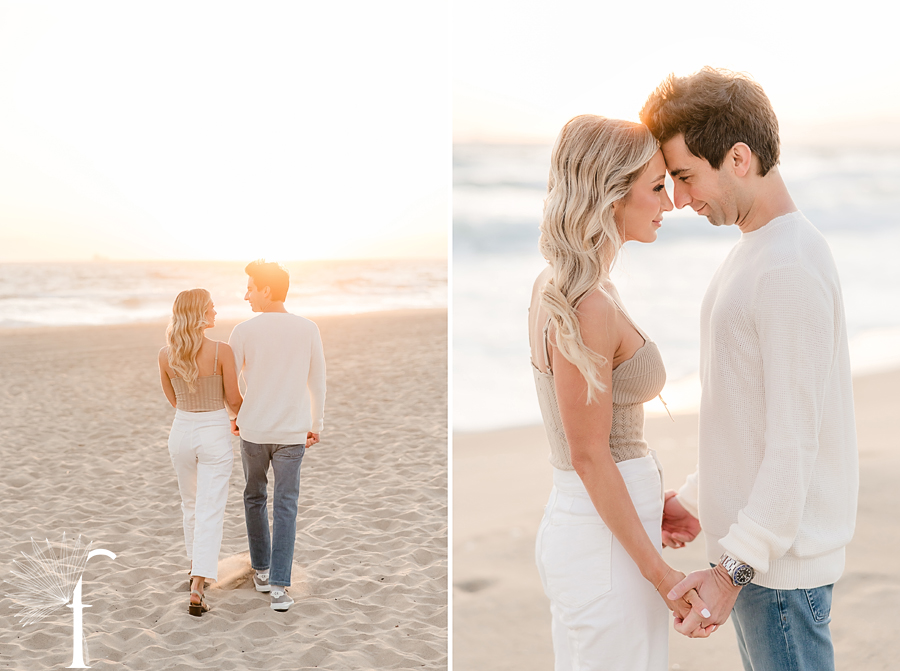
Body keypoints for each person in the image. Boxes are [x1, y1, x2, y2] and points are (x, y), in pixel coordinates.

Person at [640, 67, 858, 671]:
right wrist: (695, 496)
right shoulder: (760, 250)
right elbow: (750, 415)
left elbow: (795, 441)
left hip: (777, 572)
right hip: (764, 561)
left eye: (684, 176)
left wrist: (733, 570)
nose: (679, 199)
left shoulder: (786, 264)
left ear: (738, 157)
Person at [528, 115, 715, 671]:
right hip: (604, 549)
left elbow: (597, 444)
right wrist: (662, 575)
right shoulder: (586, 304)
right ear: (611, 194)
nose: (671, 202)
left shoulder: (567, 285)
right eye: (656, 187)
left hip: (604, 530)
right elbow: (589, 455)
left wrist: (645, 507)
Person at [228, 260, 326, 611]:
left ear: (267, 290)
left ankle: (264, 572)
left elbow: (229, 380)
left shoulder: (242, 330)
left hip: (255, 429)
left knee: (255, 497)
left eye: (251, 288)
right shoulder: (308, 328)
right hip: (292, 431)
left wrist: (235, 413)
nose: (246, 295)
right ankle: (280, 586)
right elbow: (318, 381)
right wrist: (317, 423)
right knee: (285, 505)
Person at [158, 288, 243, 616]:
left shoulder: (165, 355)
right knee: (210, 509)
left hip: (181, 432)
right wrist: (243, 419)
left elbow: (175, 400)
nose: (216, 312)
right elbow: (234, 400)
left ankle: (197, 565)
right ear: (199, 314)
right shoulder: (222, 351)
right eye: (211, 307)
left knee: (190, 504)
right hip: (213, 432)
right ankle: (198, 582)